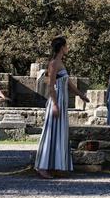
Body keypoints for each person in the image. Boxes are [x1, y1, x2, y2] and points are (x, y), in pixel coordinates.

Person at [35, 36, 89, 179]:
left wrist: (81, 95)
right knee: (51, 132)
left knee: (60, 133)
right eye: (66, 45)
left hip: (62, 101)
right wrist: (54, 104)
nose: (68, 48)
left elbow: (69, 84)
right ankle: (42, 167)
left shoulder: (61, 63)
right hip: (56, 100)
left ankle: (56, 166)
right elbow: (50, 85)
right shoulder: (53, 63)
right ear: (62, 47)